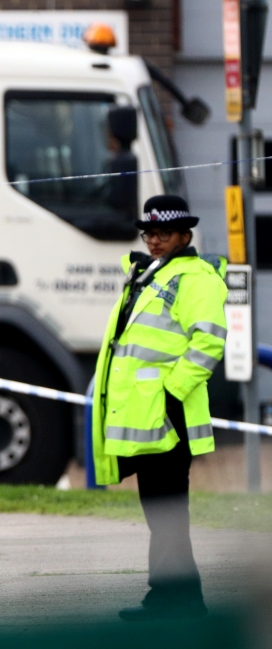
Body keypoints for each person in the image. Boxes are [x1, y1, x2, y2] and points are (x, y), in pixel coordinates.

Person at [91, 195, 228, 621]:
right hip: (149, 415)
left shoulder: (194, 278)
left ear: (185, 235)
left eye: (163, 233)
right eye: (148, 233)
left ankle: (175, 603)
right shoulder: (149, 275)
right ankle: (180, 601)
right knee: (163, 512)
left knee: (166, 510)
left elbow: (209, 342)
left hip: (168, 416)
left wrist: (171, 393)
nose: (154, 240)